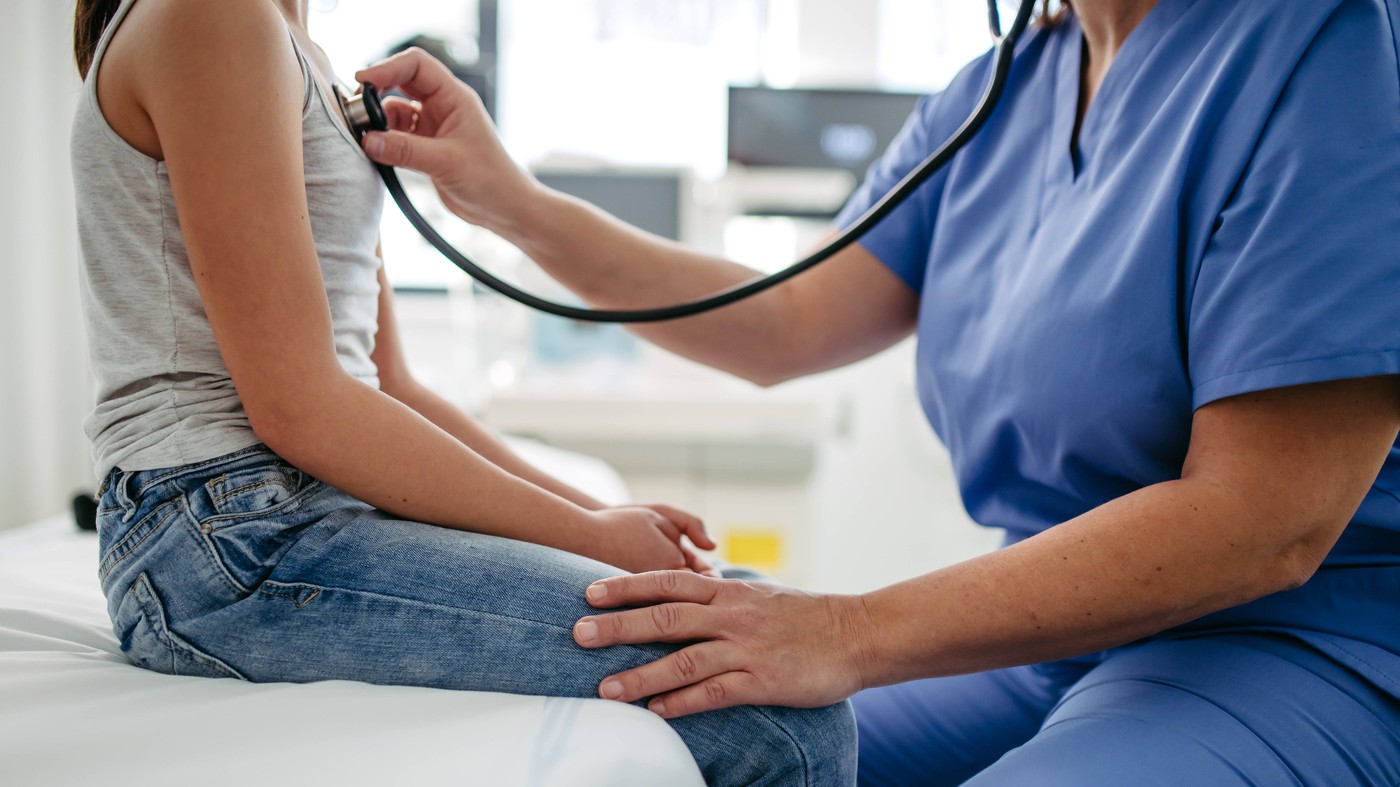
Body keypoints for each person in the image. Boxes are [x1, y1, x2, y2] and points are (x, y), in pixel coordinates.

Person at [354, 0, 1400, 783]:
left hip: (1298, 639)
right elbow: (786, 321)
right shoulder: (1004, 85)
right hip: (1049, 635)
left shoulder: (1329, 44)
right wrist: (508, 203)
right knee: (680, 752)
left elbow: (1264, 523)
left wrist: (843, 628)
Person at [69, 0, 856, 783]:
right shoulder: (215, 16)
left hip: (287, 513)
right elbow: (301, 407)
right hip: (224, 543)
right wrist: (588, 530)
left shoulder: (297, 48)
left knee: (750, 612)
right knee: (776, 715)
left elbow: (391, 387)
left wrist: (602, 518)